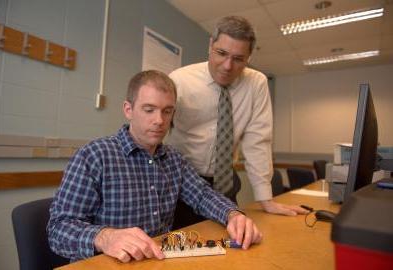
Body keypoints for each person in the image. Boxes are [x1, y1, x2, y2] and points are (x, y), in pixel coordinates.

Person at [47, 70, 261, 263]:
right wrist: (105, 237)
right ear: (128, 110)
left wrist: (233, 215)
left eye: (167, 111)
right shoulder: (94, 156)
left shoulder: (174, 160)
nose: (159, 120)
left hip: (156, 260)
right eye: (149, 110)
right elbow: (58, 229)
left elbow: (203, 195)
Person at [167, 16, 308, 228]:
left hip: (225, 184)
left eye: (238, 59)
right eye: (221, 53)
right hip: (182, 184)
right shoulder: (179, 80)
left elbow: (257, 141)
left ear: (249, 57)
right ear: (210, 45)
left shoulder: (256, 83)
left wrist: (266, 199)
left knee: (232, 248)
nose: (227, 66)